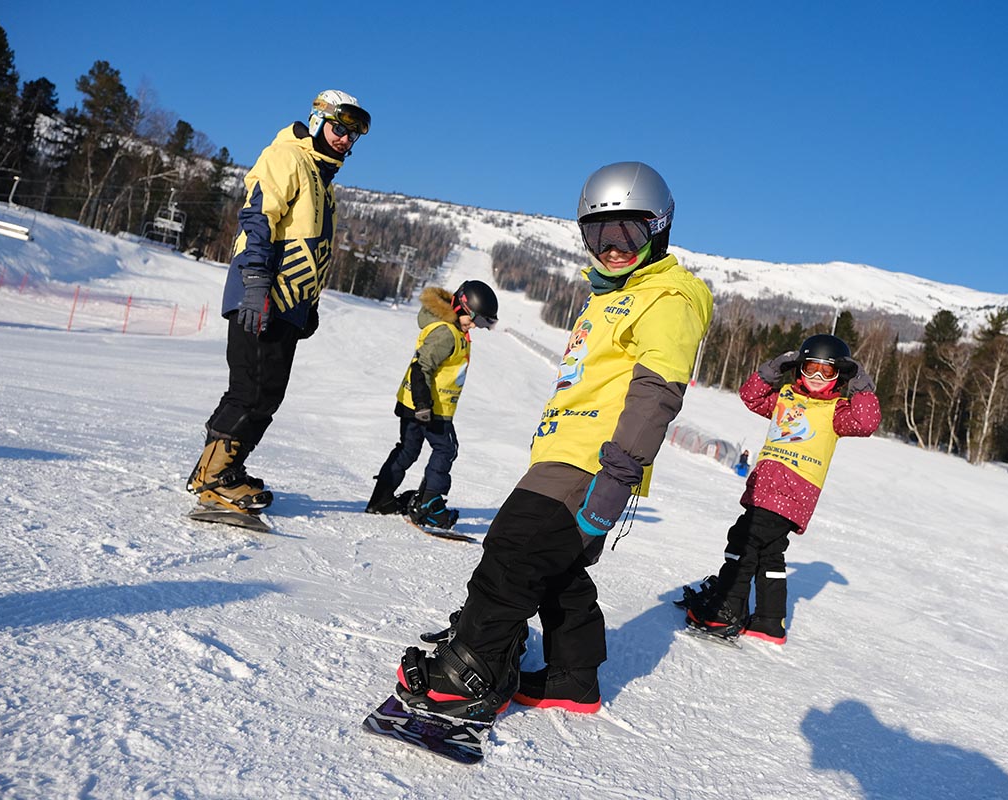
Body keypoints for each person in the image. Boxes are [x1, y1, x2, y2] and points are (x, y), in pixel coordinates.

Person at [388, 162, 713, 722]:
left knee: (513, 551)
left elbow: (656, 394)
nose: (613, 248)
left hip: (595, 459)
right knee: (554, 565)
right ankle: (573, 675)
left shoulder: (668, 297)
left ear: (660, 227)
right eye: (599, 235)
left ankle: (473, 669)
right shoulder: (611, 293)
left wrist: (615, 478)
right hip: (564, 452)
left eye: (628, 234)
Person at [187, 90, 370, 520]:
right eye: (338, 128)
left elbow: (311, 248)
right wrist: (253, 281)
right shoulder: (289, 157)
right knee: (249, 389)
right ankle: (216, 477)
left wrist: (309, 303)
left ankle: (217, 469)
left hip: (288, 302)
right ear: (318, 120)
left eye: (351, 134)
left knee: (266, 392)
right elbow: (257, 216)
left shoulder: (322, 182)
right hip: (262, 294)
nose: (344, 139)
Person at [680, 334, 881, 645]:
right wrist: (776, 367)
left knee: (743, 544)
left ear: (839, 375)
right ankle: (769, 621)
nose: (816, 377)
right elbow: (751, 396)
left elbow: (866, 422)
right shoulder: (784, 397)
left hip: (791, 493)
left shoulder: (838, 411)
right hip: (764, 490)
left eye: (826, 372)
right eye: (811, 368)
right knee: (769, 554)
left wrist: (860, 381)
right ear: (798, 368)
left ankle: (725, 613)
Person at [365, 280, 499, 528]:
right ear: (460, 307)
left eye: (481, 323)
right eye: (475, 320)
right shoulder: (446, 334)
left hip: (414, 402)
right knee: (446, 449)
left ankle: (381, 499)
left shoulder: (452, 329)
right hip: (429, 406)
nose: (475, 327)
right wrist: (424, 405)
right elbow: (421, 368)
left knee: (408, 449)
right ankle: (428, 505)